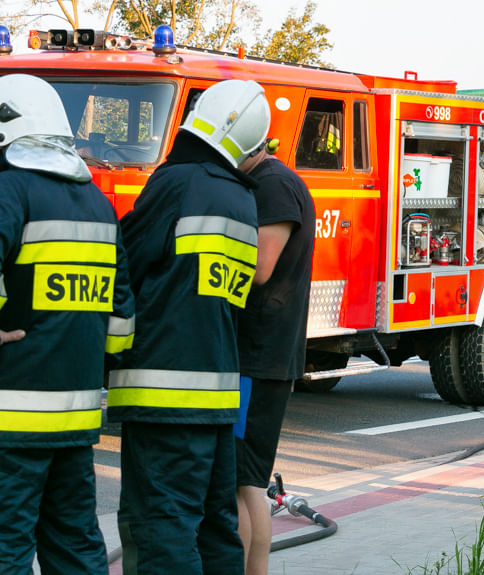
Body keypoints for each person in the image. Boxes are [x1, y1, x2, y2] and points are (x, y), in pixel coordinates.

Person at [107, 79, 270, 574]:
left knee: (161, 528)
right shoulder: (244, 200)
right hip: (217, 395)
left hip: (162, 394)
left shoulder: (177, 183)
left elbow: (125, 260)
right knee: (216, 528)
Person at [0, 74, 134, 575]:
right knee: (74, 544)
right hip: (76, 419)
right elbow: (122, 320)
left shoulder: (9, 190)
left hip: (10, 416)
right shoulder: (97, 203)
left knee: (6, 545)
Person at [232, 140, 315, 575]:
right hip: (262, 357)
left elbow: (260, 269)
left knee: (243, 483)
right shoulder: (272, 181)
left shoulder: (274, 186)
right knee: (245, 481)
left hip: (258, 360)